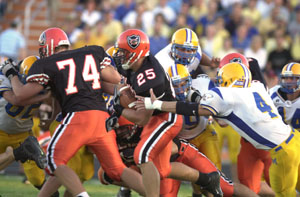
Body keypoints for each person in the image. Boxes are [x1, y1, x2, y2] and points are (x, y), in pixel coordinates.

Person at [0, 27, 145, 197]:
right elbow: (113, 80)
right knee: (117, 169)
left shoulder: (44, 64)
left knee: (54, 161)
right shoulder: (92, 52)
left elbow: (20, 94)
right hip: (101, 119)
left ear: (48, 46)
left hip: (78, 118)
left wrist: (11, 73)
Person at [138, 62, 300, 197]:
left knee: (285, 194)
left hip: (283, 151)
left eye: (222, 80)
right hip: (294, 138)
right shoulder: (256, 87)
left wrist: (158, 104)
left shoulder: (227, 94)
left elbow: (196, 109)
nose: (219, 83)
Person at [110, 29, 222, 197]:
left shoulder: (150, 78)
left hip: (165, 117)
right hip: (156, 113)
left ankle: (130, 189)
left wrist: (119, 108)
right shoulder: (137, 64)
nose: (119, 56)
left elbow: (141, 119)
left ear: (136, 53)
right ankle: (206, 179)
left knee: (142, 154)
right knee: (162, 169)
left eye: (124, 52)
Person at [219, 53, 274, 196]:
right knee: (248, 186)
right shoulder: (256, 84)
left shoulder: (247, 90)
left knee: (279, 184)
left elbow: (222, 122)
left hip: (269, 143)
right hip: (249, 144)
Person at [0, 56, 49, 190]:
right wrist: (46, 96)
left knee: (38, 178)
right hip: (1, 130)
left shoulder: (45, 83)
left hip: (23, 133)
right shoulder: (5, 76)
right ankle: (17, 153)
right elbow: (16, 100)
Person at [269, 62, 300, 191]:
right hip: (279, 143)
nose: (289, 81)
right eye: (286, 78)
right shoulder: (272, 94)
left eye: (293, 78)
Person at [154, 28, 219, 79]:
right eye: (182, 49)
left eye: (189, 50)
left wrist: (210, 63)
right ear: (173, 48)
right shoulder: (162, 63)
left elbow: (199, 55)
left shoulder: (196, 50)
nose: (186, 53)